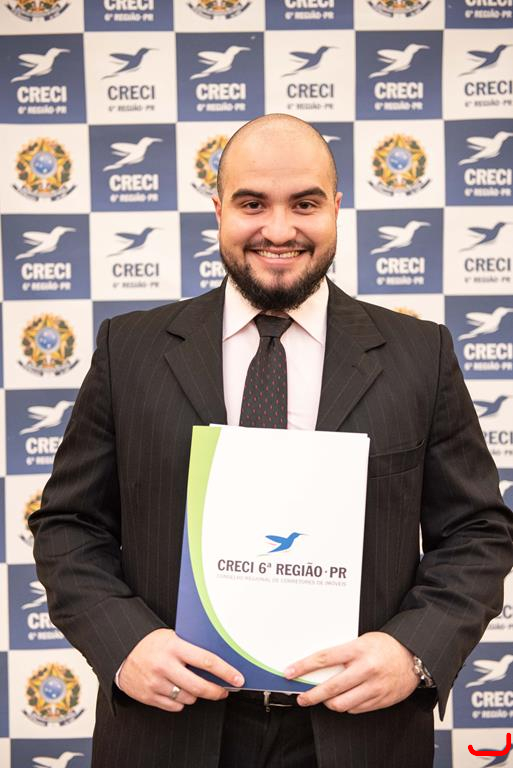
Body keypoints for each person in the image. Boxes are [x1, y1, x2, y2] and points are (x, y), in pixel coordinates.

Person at [30, 114, 513, 768]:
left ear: (336, 208)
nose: (279, 230)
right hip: (169, 732)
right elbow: (68, 524)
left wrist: (411, 651)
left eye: (304, 204)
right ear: (219, 211)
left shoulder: (419, 356)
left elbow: (477, 531)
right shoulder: (130, 349)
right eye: (252, 204)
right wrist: (126, 643)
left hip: (357, 736)